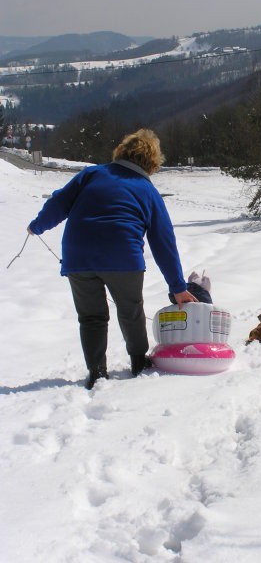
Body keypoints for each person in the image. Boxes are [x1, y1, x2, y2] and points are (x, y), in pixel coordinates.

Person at [27, 128, 197, 389]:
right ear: (152, 162)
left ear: (122, 151)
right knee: (130, 310)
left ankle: (96, 372)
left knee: (91, 317)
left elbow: (59, 203)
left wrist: (37, 226)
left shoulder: (92, 174)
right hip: (123, 257)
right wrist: (177, 288)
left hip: (79, 255)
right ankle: (139, 362)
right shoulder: (147, 190)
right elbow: (164, 242)